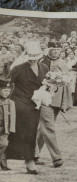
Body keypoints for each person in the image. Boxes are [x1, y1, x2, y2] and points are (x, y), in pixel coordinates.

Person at [5, 41, 48, 174]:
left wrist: (50, 88)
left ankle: (5, 157)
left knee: (30, 132)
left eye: (36, 57)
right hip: (20, 103)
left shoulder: (44, 68)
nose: (33, 60)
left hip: (35, 105)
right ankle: (29, 161)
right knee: (23, 132)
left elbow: (47, 85)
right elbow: (6, 83)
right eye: (31, 57)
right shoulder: (19, 68)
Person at [37, 42, 73, 168]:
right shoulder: (41, 62)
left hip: (58, 100)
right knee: (48, 127)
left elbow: (67, 81)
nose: (56, 51)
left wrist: (66, 102)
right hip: (44, 98)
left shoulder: (63, 62)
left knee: (44, 128)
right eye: (54, 49)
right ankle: (56, 158)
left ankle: (33, 154)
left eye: (58, 49)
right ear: (48, 50)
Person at [0, 80, 15, 171]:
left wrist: (11, 129)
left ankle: (2, 162)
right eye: (5, 90)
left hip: (4, 128)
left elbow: (13, 117)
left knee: (4, 144)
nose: (7, 93)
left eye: (9, 91)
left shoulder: (10, 103)